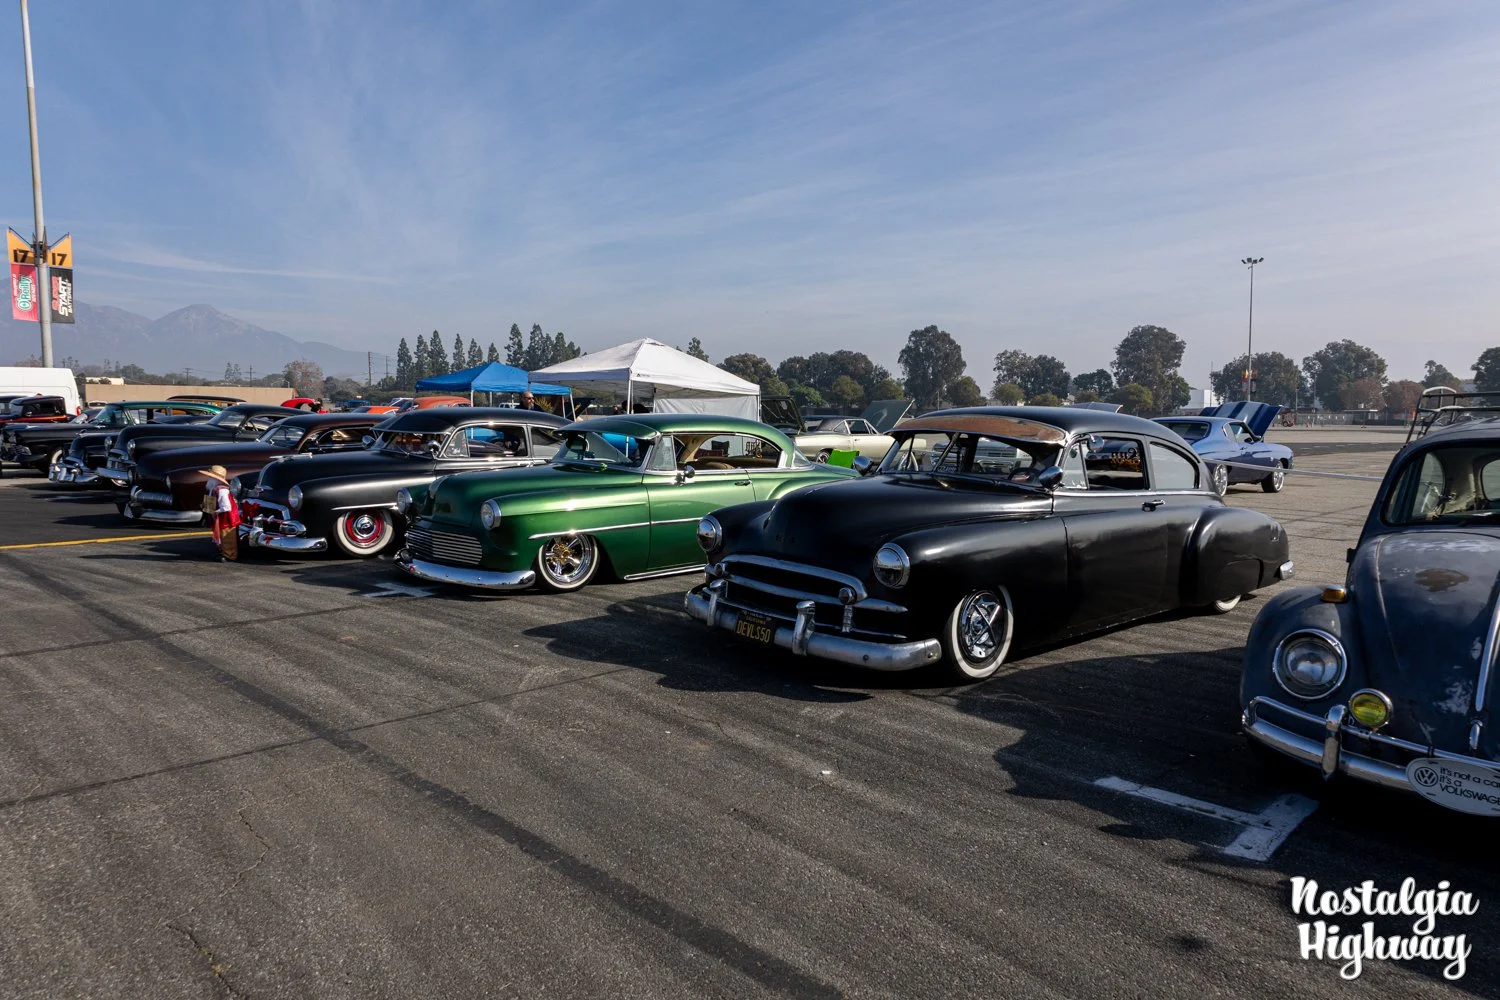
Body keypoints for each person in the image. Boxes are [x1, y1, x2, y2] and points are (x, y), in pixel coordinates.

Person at [201, 465, 241, 562]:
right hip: (219, 517)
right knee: (219, 535)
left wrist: (216, 511)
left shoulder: (222, 490)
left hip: (226, 517)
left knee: (227, 536)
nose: (209, 479)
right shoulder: (214, 489)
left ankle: (230, 555)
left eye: (210, 477)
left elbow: (226, 507)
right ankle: (222, 552)